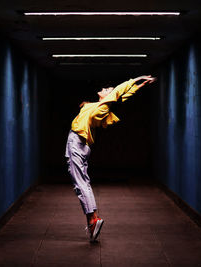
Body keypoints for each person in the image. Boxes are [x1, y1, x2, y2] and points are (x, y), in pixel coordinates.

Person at [64, 75, 157, 242]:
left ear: (109, 95)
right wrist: (140, 85)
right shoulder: (98, 105)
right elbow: (123, 96)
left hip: (76, 143)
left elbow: (118, 92)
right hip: (81, 144)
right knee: (83, 182)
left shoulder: (104, 106)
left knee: (80, 184)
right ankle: (93, 224)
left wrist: (136, 78)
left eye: (108, 90)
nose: (106, 89)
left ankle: (93, 220)